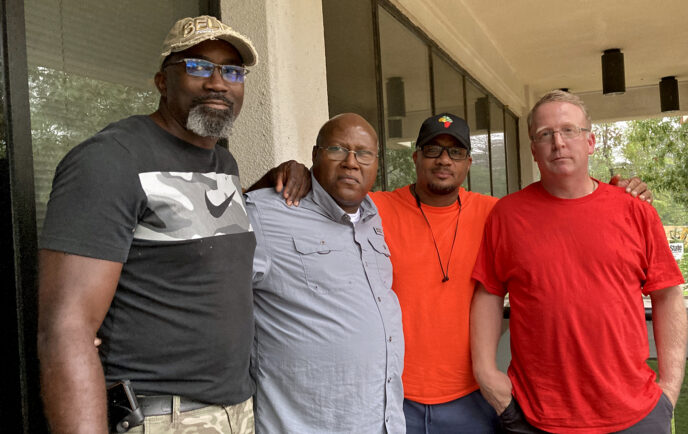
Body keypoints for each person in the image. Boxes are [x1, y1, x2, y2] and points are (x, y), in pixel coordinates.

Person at [255, 112, 652, 433]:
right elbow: (333, 195)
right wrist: (292, 173)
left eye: (455, 152)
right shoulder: (373, 210)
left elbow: (559, 213)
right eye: (432, 150)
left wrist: (616, 193)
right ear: (414, 158)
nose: (443, 160)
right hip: (393, 403)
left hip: (472, 400)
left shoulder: (498, 214)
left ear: (468, 163)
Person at [37, 15, 276, 433]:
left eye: (232, 71)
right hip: (164, 415)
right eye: (198, 66)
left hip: (235, 410)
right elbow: (65, 329)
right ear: (162, 82)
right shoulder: (110, 160)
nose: (218, 82)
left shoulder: (223, 163)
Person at [470, 90, 688, 433]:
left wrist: (670, 387)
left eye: (569, 130)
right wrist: (485, 372)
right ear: (533, 149)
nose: (558, 142)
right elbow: (488, 292)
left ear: (591, 141)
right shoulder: (507, 215)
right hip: (535, 414)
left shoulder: (635, 211)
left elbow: (668, 295)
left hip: (634, 413)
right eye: (545, 134)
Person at [245, 113, 405, 433]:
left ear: (376, 163)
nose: (351, 162)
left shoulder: (372, 219)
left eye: (363, 153)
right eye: (337, 149)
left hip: (380, 421)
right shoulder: (266, 212)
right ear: (315, 156)